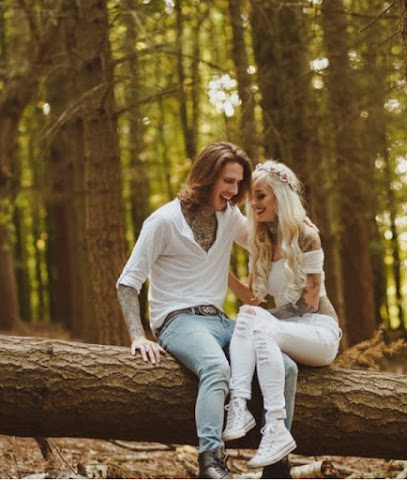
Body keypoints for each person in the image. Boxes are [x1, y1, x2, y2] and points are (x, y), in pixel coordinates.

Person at [116, 143, 298, 479]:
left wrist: (289, 217)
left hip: (220, 320)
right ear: (206, 177)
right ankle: (211, 461)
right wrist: (137, 335)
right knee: (216, 367)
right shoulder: (164, 221)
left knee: (285, 367)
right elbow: (128, 282)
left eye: (237, 184)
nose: (232, 191)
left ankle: (276, 464)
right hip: (177, 321)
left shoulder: (228, 217)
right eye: (227, 181)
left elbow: (263, 242)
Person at [223, 160, 342, 470]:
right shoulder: (261, 239)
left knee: (259, 325)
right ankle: (245, 409)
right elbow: (254, 301)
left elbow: (310, 303)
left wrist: (264, 318)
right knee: (251, 317)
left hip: (318, 331)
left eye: (260, 196)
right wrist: (222, 274)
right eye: (251, 196)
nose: (253, 203)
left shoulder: (305, 235)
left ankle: (263, 420)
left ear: (280, 196)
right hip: (282, 331)